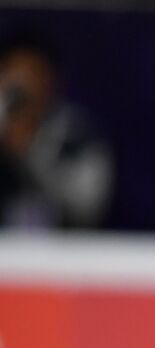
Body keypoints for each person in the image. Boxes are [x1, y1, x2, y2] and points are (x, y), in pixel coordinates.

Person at [0, 26, 113, 230]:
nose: (21, 85)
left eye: (32, 73)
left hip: (60, 245)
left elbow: (88, 207)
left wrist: (30, 149)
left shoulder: (75, 134)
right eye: (12, 73)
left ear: (49, 80)